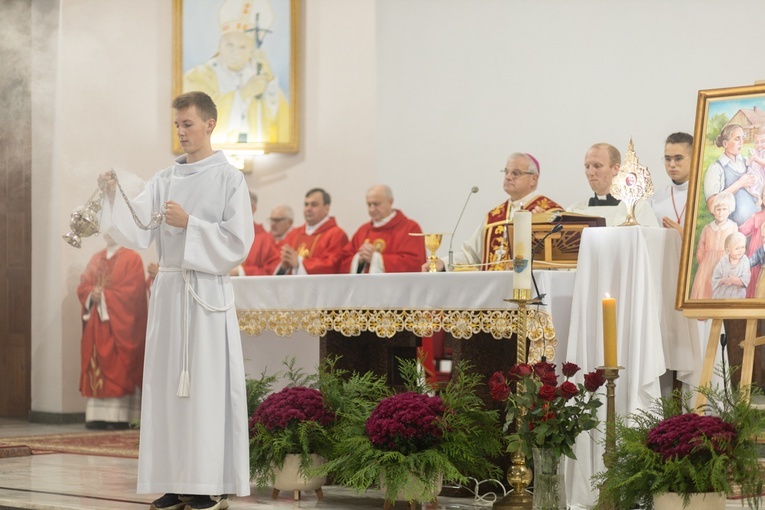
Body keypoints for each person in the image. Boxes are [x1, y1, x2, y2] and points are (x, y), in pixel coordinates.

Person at [99, 91, 253, 510]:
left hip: (205, 294)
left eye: (188, 124)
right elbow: (137, 231)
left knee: (204, 388)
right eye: (177, 125)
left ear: (209, 125)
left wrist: (192, 225)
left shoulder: (229, 178)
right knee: (168, 387)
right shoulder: (165, 178)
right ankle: (173, 479)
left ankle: (207, 483)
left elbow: (239, 244)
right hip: (169, 294)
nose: (182, 132)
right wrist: (114, 195)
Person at [427, 153, 563, 271]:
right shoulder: (494, 216)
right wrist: (442, 263)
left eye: (515, 173)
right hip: (493, 293)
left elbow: (560, 259)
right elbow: (471, 255)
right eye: (506, 172)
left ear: (534, 179)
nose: (508, 177)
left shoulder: (550, 212)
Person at [183, 0, 290, 144]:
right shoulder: (198, 76)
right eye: (230, 45)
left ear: (251, 51)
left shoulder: (259, 75)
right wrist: (243, 94)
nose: (235, 52)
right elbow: (193, 119)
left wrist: (269, 81)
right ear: (220, 45)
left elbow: (279, 121)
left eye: (242, 47)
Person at [77, 234, 147, 430]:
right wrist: (92, 293)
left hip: (119, 327)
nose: (107, 233)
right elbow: (84, 285)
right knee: (96, 363)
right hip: (96, 325)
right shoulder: (96, 258)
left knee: (117, 364)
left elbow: (133, 294)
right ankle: (96, 415)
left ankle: (120, 416)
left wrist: (105, 296)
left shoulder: (132, 259)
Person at [567, 143, 658, 227]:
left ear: (615, 169)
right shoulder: (574, 211)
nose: (590, 172)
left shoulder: (637, 208)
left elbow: (650, 241)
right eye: (587, 167)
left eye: (597, 166)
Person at [340, 184, 426, 273]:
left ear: (390, 201)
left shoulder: (410, 228)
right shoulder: (363, 230)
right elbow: (345, 260)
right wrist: (359, 259)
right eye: (369, 204)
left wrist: (376, 258)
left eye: (376, 204)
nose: (372, 209)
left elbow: (413, 263)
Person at [277, 188, 348, 274]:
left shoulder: (337, 235)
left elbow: (333, 265)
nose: (308, 209)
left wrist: (299, 263)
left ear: (327, 208)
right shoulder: (294, 233)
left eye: (314, 205)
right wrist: (284, 266)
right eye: (306, 204)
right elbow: (277, 262)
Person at [703, 123, 758, 226]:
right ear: (725, 144)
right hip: (734, 230)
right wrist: (740, 183)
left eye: (743, 138)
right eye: (737, 139)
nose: (741, 142)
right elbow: (711, 205)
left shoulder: (745, 162)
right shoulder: (716, 168)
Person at [690, 192, 738, 300]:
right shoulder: (707, 228)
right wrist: (704, 263)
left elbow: (735, 245)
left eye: (724, 209)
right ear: (713, 210)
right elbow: (701, 247)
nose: (721, 213)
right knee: (705, 289)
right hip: (707, 266)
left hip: (724, 264)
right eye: (718, 209)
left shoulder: (732, 227)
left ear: (729, 210)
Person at [650, 132, 693, 235]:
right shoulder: (655, 199)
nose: (672, 165)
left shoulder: (704, 198)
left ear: (694, 158)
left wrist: (684, 236)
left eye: (678, 159)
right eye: (668, 159)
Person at [231, 191, 280, 276]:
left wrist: (241, 271)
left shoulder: (264, 238)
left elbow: (270, 272)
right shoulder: (225, 232)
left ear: (253, 208)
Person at [712, 232, 750, 299]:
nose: (740, 251)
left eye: (742, 247)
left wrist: (732, 280)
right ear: (728, 251)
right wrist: (724, 280)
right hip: (722, 294)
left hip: (737, 294)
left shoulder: (745, 260)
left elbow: (746, 280)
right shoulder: (723, 261)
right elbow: (715, 279)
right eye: (737, 248)